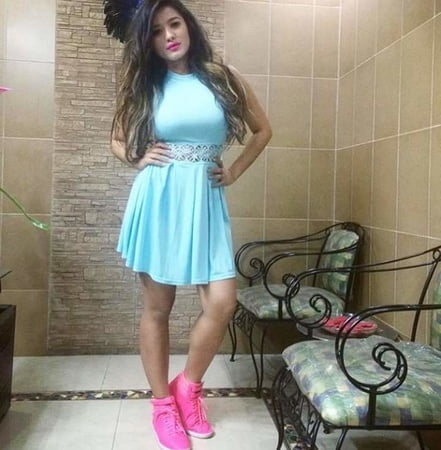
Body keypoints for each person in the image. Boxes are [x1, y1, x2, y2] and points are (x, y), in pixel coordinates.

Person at [107, 1, 272, 449]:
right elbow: (117, 139)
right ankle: (162, 405)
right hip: (160, 199)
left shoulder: (224, 77)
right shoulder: (144, 83)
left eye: (174, 23)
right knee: (158, 307)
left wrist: (233, 172)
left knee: (222, 302)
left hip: (206, 202)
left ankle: (188, 387)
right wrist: (138, 158)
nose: (169, 35)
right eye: (157, 30)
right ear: (149, 41)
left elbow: (262, 131)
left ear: (189, 26)